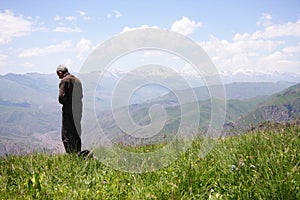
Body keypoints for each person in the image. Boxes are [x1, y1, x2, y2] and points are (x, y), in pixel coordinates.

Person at [56, 65, 83, 154]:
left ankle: (71, 154)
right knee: (76, 130)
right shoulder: (77, 80)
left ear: (60, 72)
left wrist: (66, 102)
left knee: (67, 132)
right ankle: (78, 151)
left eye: (58, 74)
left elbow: (61, 97)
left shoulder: (65, 81)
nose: (58, 77)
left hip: (68, 110)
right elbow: (81, 96)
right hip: (78, 110)